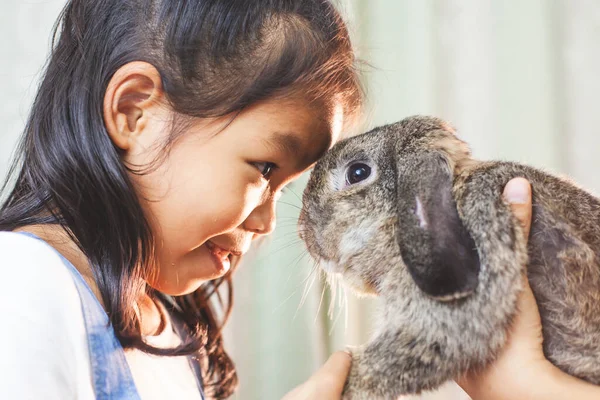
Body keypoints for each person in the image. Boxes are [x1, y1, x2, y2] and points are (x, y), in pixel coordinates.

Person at [0, 1, 361, 398]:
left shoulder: (176, 334)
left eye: (285, 187)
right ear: (134, 111)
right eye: (264, 169)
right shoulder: (21, 284)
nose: (267, 223)